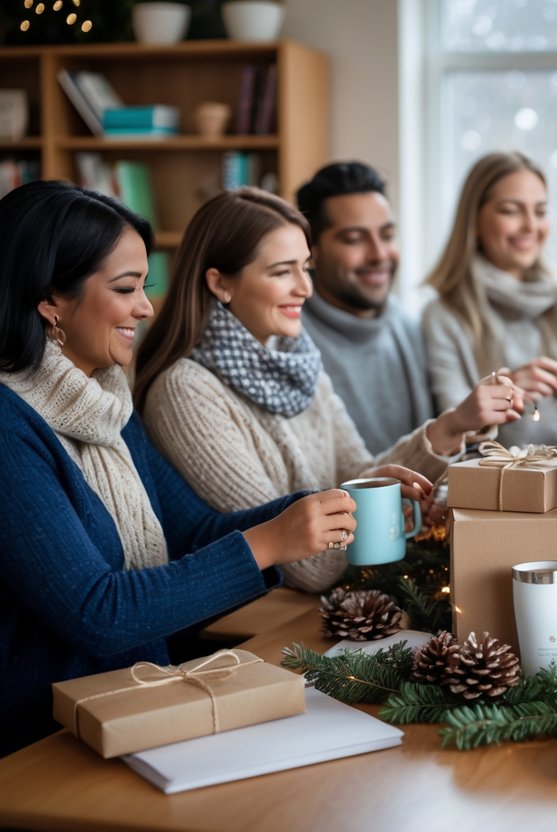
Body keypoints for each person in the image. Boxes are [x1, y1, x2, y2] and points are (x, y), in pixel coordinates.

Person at [0, 181, 356, 754]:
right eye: (126, 288)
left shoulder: (107, 403)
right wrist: (267, 544)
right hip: (44, 741)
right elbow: (98, 611)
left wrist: (307, 510)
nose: (145, 306)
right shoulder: (9, 426)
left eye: (146, 286)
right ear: (50, 299)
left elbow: (189, 532)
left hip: (137, 711)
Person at [134, 188, 518, 593]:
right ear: (220, 284)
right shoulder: (185, 391)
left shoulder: (299, 362)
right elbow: (306, 564)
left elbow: (355, 476)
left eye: (305, 268)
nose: (306, 289)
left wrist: (455, 424)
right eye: (282, 272)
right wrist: (379, 510)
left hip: (334, 599)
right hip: (261, 621)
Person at [297, 161, 506, 455]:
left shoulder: (410, 327)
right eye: (354, 239)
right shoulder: (292, 342)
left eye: (386, 235)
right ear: (310, 252)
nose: (379, 254)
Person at [422, 151, 557, 456]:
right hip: (492, 493)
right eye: (511, 211)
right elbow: (450, 440)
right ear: (474, 221)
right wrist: (501, 397)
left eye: (540, 211)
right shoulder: (444, 315)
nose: (530, 226)